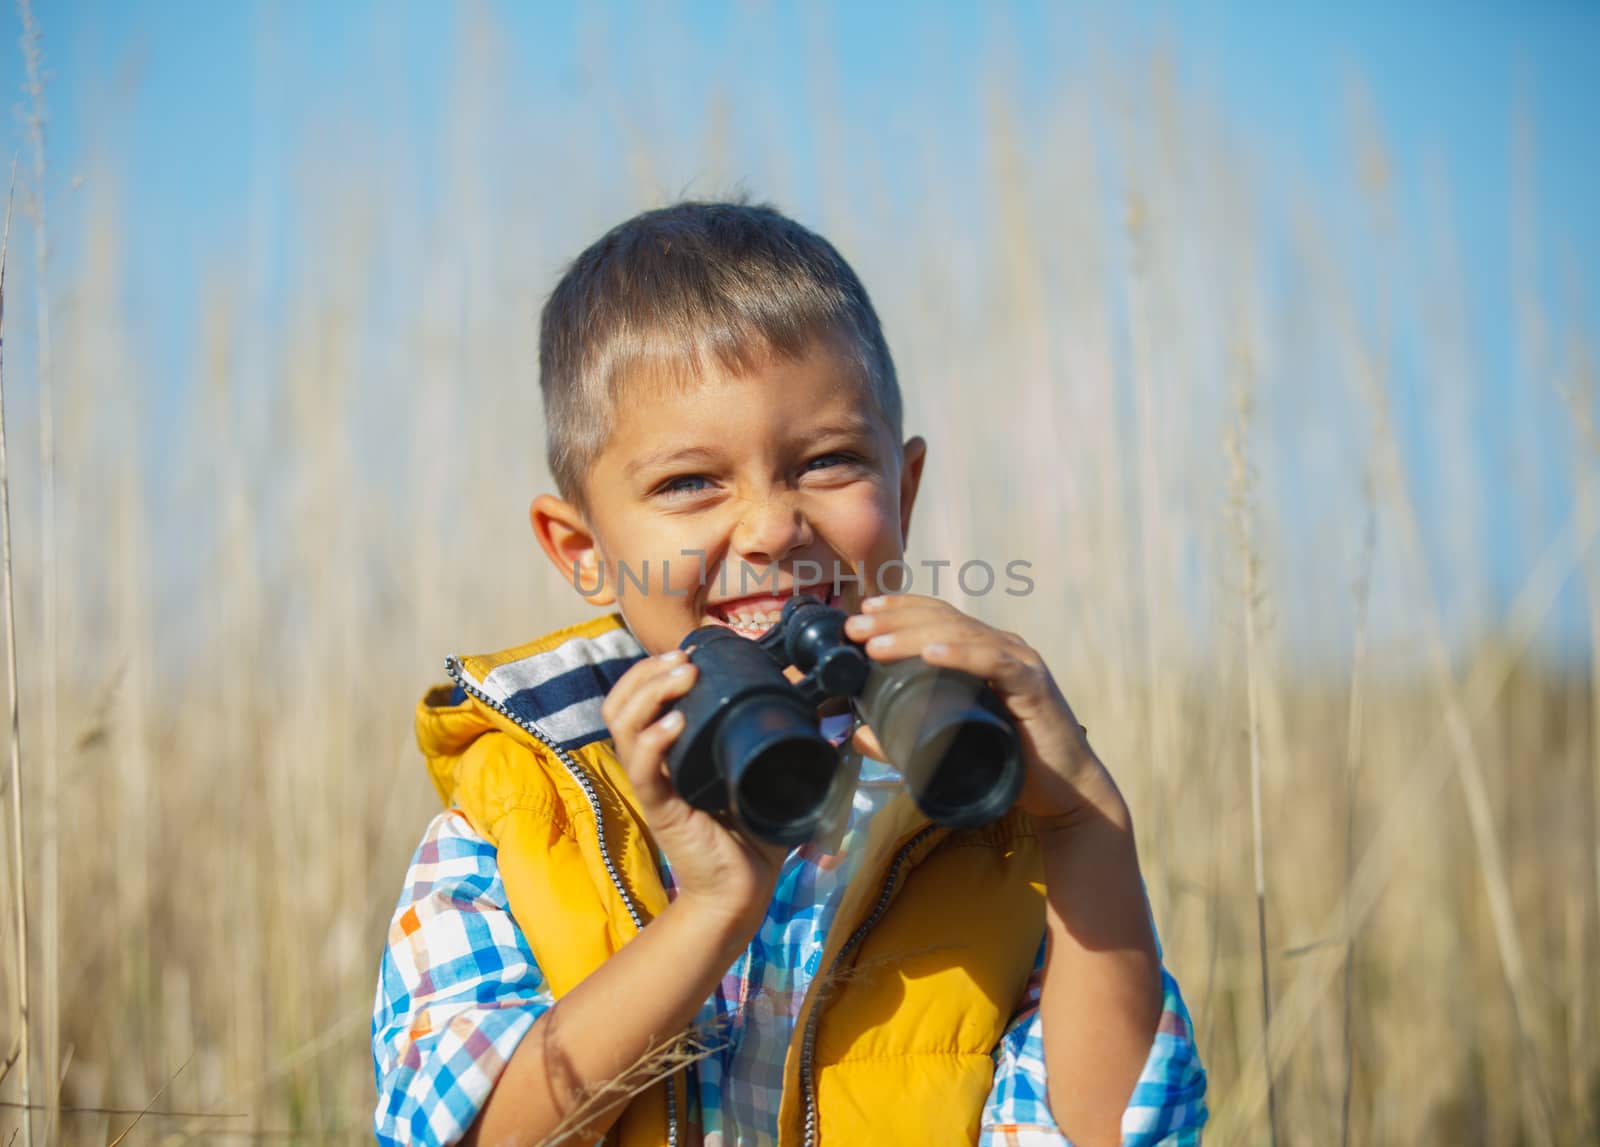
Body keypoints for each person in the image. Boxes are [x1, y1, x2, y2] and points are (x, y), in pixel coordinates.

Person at [371, 200, 1207, 1147]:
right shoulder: (519, 811)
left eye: (829, 462)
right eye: (690, 482)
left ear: (905, 491)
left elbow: (1108, 1136)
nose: (772, 528)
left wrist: (1085, 824)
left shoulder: (986, 809)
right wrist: (712, 912)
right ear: (583, 547)